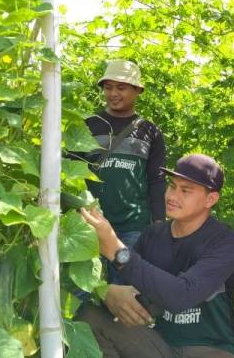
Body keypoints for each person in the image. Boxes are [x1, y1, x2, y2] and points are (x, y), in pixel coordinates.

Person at [77, 154, 234, 358]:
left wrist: (116, 251)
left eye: (185, 190)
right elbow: (128, 290)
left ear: (211, 199)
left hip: (212, 349)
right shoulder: (152, 234)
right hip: (160, 345)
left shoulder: (225, 242)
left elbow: (182, 295)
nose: (172, 196)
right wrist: (107, 293)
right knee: (89, 317)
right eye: (172, 186)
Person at [71, 59, 166, 284]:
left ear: (137, 90)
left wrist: (159, 222)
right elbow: (70, 172)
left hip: (133, 229)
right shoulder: (87, 125)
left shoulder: (149, 131)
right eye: (108, 87)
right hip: (89, 222)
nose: (113, 93)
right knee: (81, 290)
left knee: (126, 290)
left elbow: (156, 180)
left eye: (121, 87)